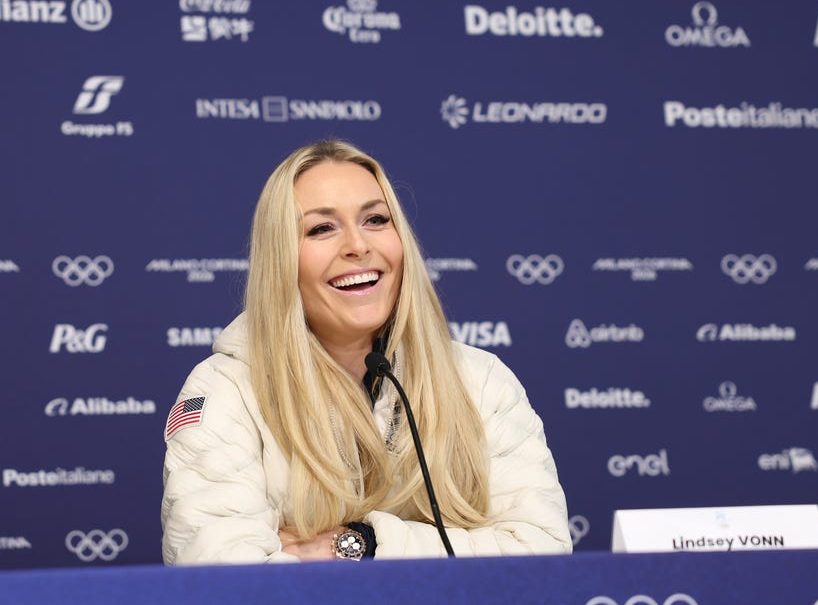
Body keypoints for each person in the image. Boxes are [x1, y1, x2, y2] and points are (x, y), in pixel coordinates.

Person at [161, 139, 570, 564]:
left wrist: (361, 545)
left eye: (375, 220)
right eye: (321, 228)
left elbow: (540, 554)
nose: (357, 245)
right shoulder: (227, 388)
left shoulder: (480, 381)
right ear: (281, 258)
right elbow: (221, 575)